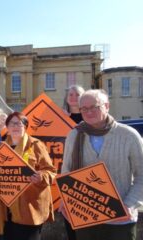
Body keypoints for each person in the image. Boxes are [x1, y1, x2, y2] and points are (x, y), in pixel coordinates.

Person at [61, 89, 143, 240]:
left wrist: (128, 205)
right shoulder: (74, 135)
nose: (88, 112)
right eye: (84, 109)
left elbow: (141, 177)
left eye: (94, 107)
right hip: (86, 218)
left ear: (107, 106)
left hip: (121, 222)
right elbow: (66, 172)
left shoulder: (129, 136)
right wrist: (65, 201)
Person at [0, 112, 56, 240]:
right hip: (6, 209)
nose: (15, 126)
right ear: (7, 127)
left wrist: (41, 176)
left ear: (25, 126)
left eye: (19, 123)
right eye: (11, 123)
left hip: (29, 208)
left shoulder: (36, 145)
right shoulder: (1, 147)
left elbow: (50, 170)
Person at [61, 84, 85, 240]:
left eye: (77, 94)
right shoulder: (61, 117)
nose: (73, 97)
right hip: (66, 169)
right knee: (68, 216)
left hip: (85, 170)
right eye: (70, 94)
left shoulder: (90, 117)